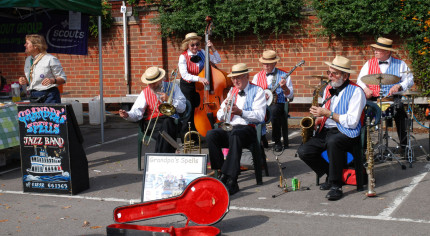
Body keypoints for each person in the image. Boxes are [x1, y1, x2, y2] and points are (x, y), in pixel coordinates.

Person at [298, 56, 366, 201]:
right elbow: (326, 111)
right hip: (327, 129)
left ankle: (336, 185)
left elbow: (352, 122)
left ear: (345, 75)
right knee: (304, 151)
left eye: (334, 73)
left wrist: (328, 114)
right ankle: (331, 174)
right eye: (329, 72)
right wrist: (318, 119)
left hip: (347, 131)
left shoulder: (356, 92)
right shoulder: (328, 88)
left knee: (334, 142)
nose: (329, 76)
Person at [206, 63, 266, 195]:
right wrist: (226, 110)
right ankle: (222, 173)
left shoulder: (258, 91)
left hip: (248, 129)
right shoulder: (232, 92)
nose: (235, 81)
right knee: (211, 134)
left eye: (238, 77)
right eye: (233, 78)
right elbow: (220, 115)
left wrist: (240, 112)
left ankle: (231, 179)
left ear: (246, 76)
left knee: (236, 134)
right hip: (231, 128)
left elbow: (260, 116)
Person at [357, 37, 414, 153]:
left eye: (378, 49)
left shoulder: (401, 64)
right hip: (373, 99)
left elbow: (410, 79)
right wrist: (365, 89)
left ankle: (404, 147)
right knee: (362, 117)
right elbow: (359, 80)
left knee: (401, 116)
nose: (375, 51)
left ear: (387, 52)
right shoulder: (369, 63)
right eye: (375, 49)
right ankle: (363, 150)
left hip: (392, 98)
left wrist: (400, 86)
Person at [119, 66, 186, 153]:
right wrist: (127, 115)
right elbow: (137, 112)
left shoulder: (174, 87)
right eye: (149, 83)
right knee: (164, 131)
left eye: (154, 83)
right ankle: (166, 157)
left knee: (166, 125)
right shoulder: (145, 93)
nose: (152, 86)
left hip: (172, 121)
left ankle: (158, 158)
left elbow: (183, 108)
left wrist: (170, 100)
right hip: (153, 123)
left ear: (160, 79)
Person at [178, 32, 221, 139]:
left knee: (199, 113)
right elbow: (184, 75)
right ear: (187, 45)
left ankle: (198, 136)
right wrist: (199, 78)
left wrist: (212, 48)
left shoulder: (202, 52)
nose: (195, 47)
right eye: (192, 45)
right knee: (189, 112)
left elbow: (217, 60)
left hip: (201, 87)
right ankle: (186, 139)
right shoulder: (183, 57)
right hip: (188, 87)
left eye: (197, 44)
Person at [252, 50, 294, 151]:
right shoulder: (257, 77)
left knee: (274, 111)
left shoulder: (284, 75)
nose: (265, 66)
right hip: (261, 104)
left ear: (274, 63)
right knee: (253, 111)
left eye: (268, 64)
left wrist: (284, 88)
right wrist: (260, 96)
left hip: (278, 103)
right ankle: (261, 138)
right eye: (264, 63)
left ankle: (277, 141)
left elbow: (291, 96)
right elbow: (251, 94)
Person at [18, 34, 66, 103]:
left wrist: (52, 80)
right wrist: (24, 80)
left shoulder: (50, 59)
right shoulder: (28, 60)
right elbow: (33, 80)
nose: (24, 45)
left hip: (49, 96)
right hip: (34, 95)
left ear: (35, 46)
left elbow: (63, 79)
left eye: (27, 43)